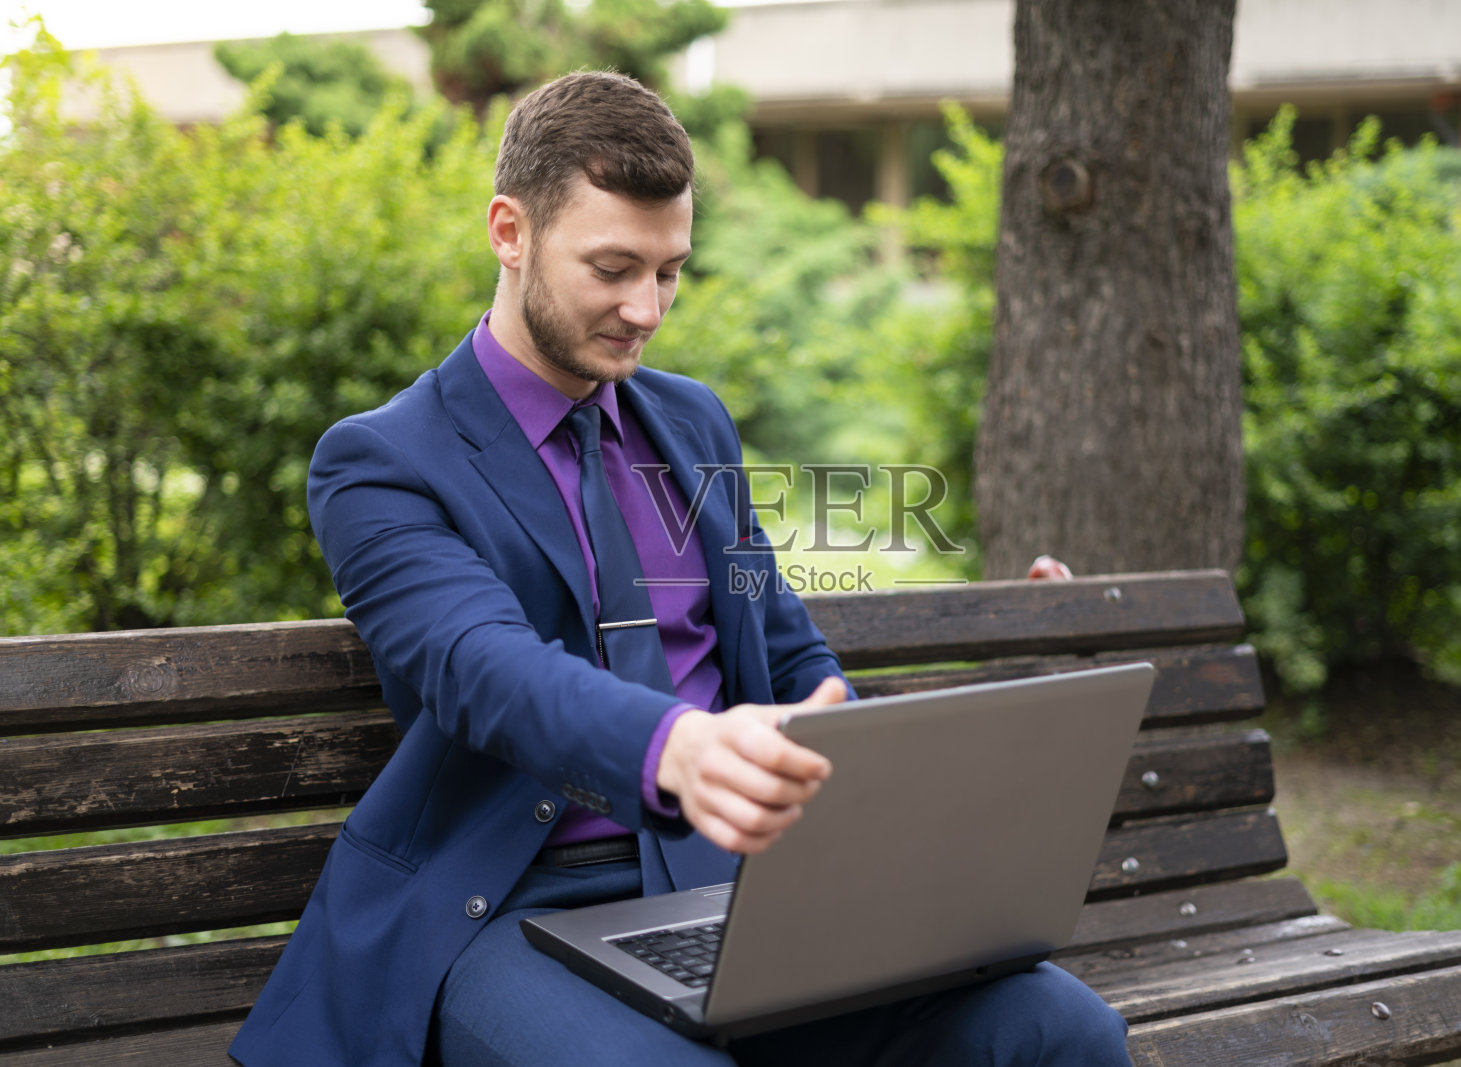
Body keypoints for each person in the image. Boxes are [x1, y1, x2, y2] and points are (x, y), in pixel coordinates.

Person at [228, 71, 1130, 1067]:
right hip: (509, 912)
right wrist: (675, 746)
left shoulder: (690, 422)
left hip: (730, 891)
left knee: (1059, 1028)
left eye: (669, 272)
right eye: (612, 267)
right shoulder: (382, 461)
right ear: (508, 231)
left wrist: (917, 738)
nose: (645, 308)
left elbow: (782, 644)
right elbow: (481, 666)